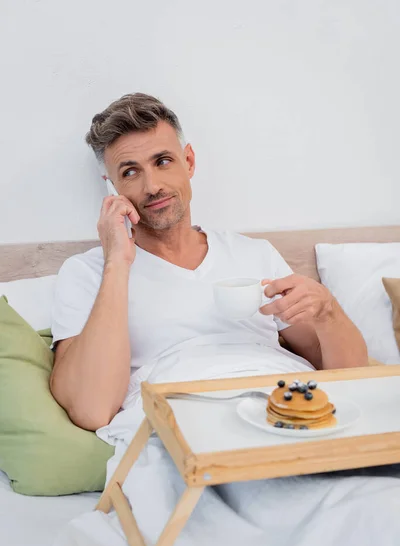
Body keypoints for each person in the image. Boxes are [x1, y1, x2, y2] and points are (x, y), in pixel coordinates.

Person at [50, 93, 368, 431]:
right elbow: (92, 410)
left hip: (289, 410)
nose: (152, 186)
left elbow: (350, 381)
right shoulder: (88, 273)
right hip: (186, 421)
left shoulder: (255, 254)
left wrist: (328, 312)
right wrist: (117, 262)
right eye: (130, 172)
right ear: (112, 186)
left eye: (162, 161)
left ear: (188, 161)